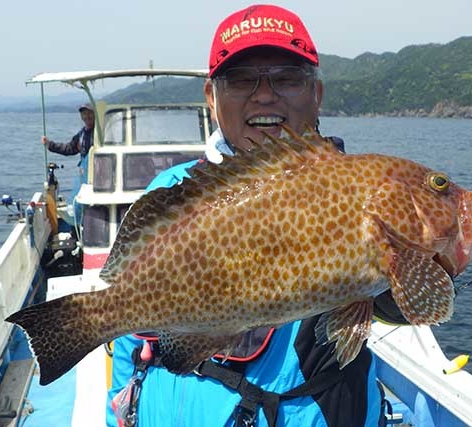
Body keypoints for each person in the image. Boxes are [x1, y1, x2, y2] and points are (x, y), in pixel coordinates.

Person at [107, 5, 406, 427]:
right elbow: (130, 336)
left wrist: (409, 280)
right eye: (242, 79)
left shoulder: (353, 191)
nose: (264, 94)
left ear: (316, 94)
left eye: (286, 78)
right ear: (211, 98)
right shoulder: (171, 191)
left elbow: (393, 304)